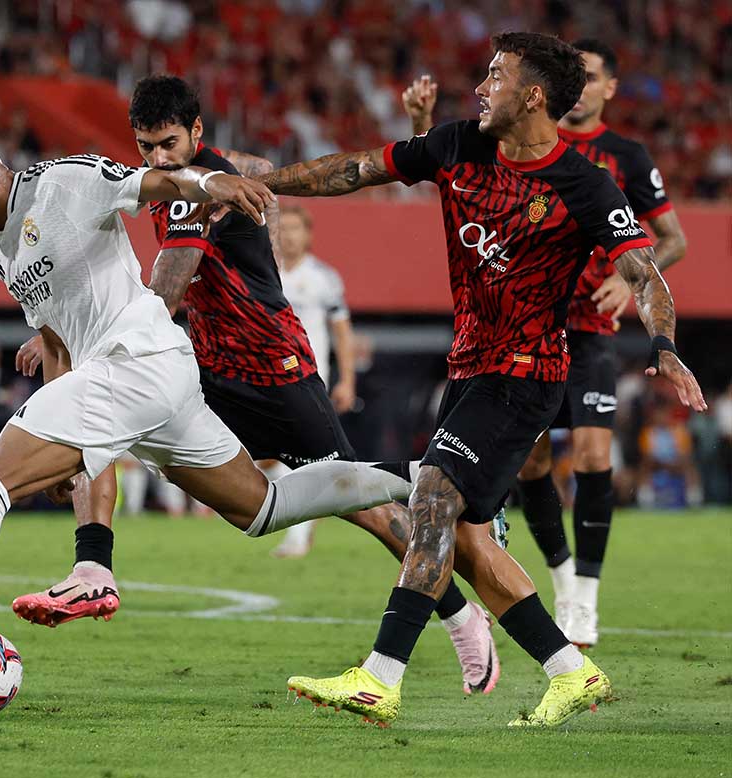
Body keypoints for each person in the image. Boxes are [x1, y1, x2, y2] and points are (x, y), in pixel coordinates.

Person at [0, 125, 469, 701]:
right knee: (260, 507)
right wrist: (72, 447)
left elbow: (152, 183)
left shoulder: (60, 183)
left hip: (139, 358)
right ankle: (421, 475)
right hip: (135, 382)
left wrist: (212, 186)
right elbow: (60, 341)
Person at [259, 32, 705, 727]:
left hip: (524, 374)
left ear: (531, 95)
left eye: (495, 76)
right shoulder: (457, 144)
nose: (481, 87)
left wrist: (664, 346)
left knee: (431, 495)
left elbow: (641, 272)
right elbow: (353, 170)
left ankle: (378, 678)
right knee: (463, 536)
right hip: (468, 371)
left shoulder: (583, 184)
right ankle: (570, 671)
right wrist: (261, 182)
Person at [10, 76, 503, 697]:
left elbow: (168, 284)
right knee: (98, 422)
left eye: (169, 144)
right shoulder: (188, 178)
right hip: (209, 372)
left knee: (368, 509)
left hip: (276, 372)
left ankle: (462, 616)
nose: (159, 160)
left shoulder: (194, 194)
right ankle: (92, 567)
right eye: (146, 147)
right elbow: (257, 167)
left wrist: (91, 341)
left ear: (196, 133)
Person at [403, 39, 690, 650]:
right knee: (528, 467)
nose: (583, 86)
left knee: (589, 456)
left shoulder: (620, 161)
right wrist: (424, 132)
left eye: (594, 77)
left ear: (609, 88)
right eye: (576, 76)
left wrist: (636, 297)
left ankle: (582, 596)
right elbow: (448, 182)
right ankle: (556, 585)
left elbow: (666, 244)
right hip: (504, 339)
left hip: (584, 337)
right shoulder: (501, 144)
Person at [269, 203, 357, 558]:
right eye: (282, 229)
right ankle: (299, 528)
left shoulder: (324, 277)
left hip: (309, 378)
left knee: (304, 454)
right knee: (274, 455)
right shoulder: (265, 273)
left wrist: (347, 380)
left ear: (307, 235)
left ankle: (298, 534)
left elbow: (342, 331)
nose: (288, 236)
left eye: (295, 229)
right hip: (267, 377)